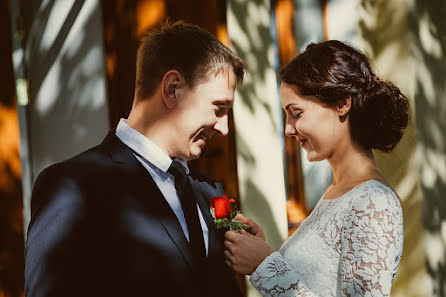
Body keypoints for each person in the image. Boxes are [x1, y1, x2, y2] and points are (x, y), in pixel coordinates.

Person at [25, 21, 246, 297]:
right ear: (172, 89)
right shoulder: (72, 186)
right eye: (219, 108)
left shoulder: (213, 192)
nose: (224, 129)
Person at [224, 40, 408, 297]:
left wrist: (264, 266)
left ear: (342, 104)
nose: (288, 129)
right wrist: (262, 251)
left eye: (296, 113)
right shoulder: (337, 192)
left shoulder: (374, 202)